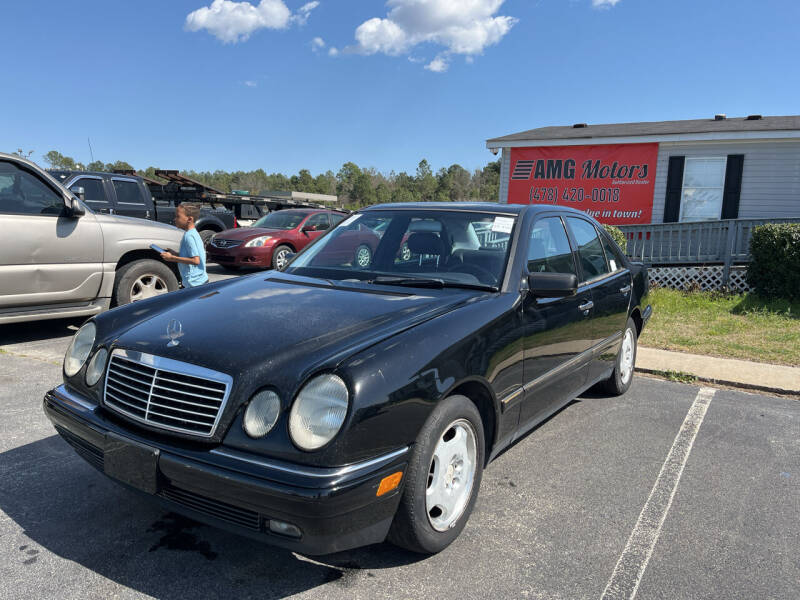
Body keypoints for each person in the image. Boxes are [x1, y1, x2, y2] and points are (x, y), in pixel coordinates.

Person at [161, 203, 208, 287]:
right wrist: (175, 253)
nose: (175, 219)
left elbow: (195, 260)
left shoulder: (189, 236)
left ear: (189, 219)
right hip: (198, 282)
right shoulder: (193, 233)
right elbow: (191, 256)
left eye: (178, 216)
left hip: (194, 283)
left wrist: (172, 258)